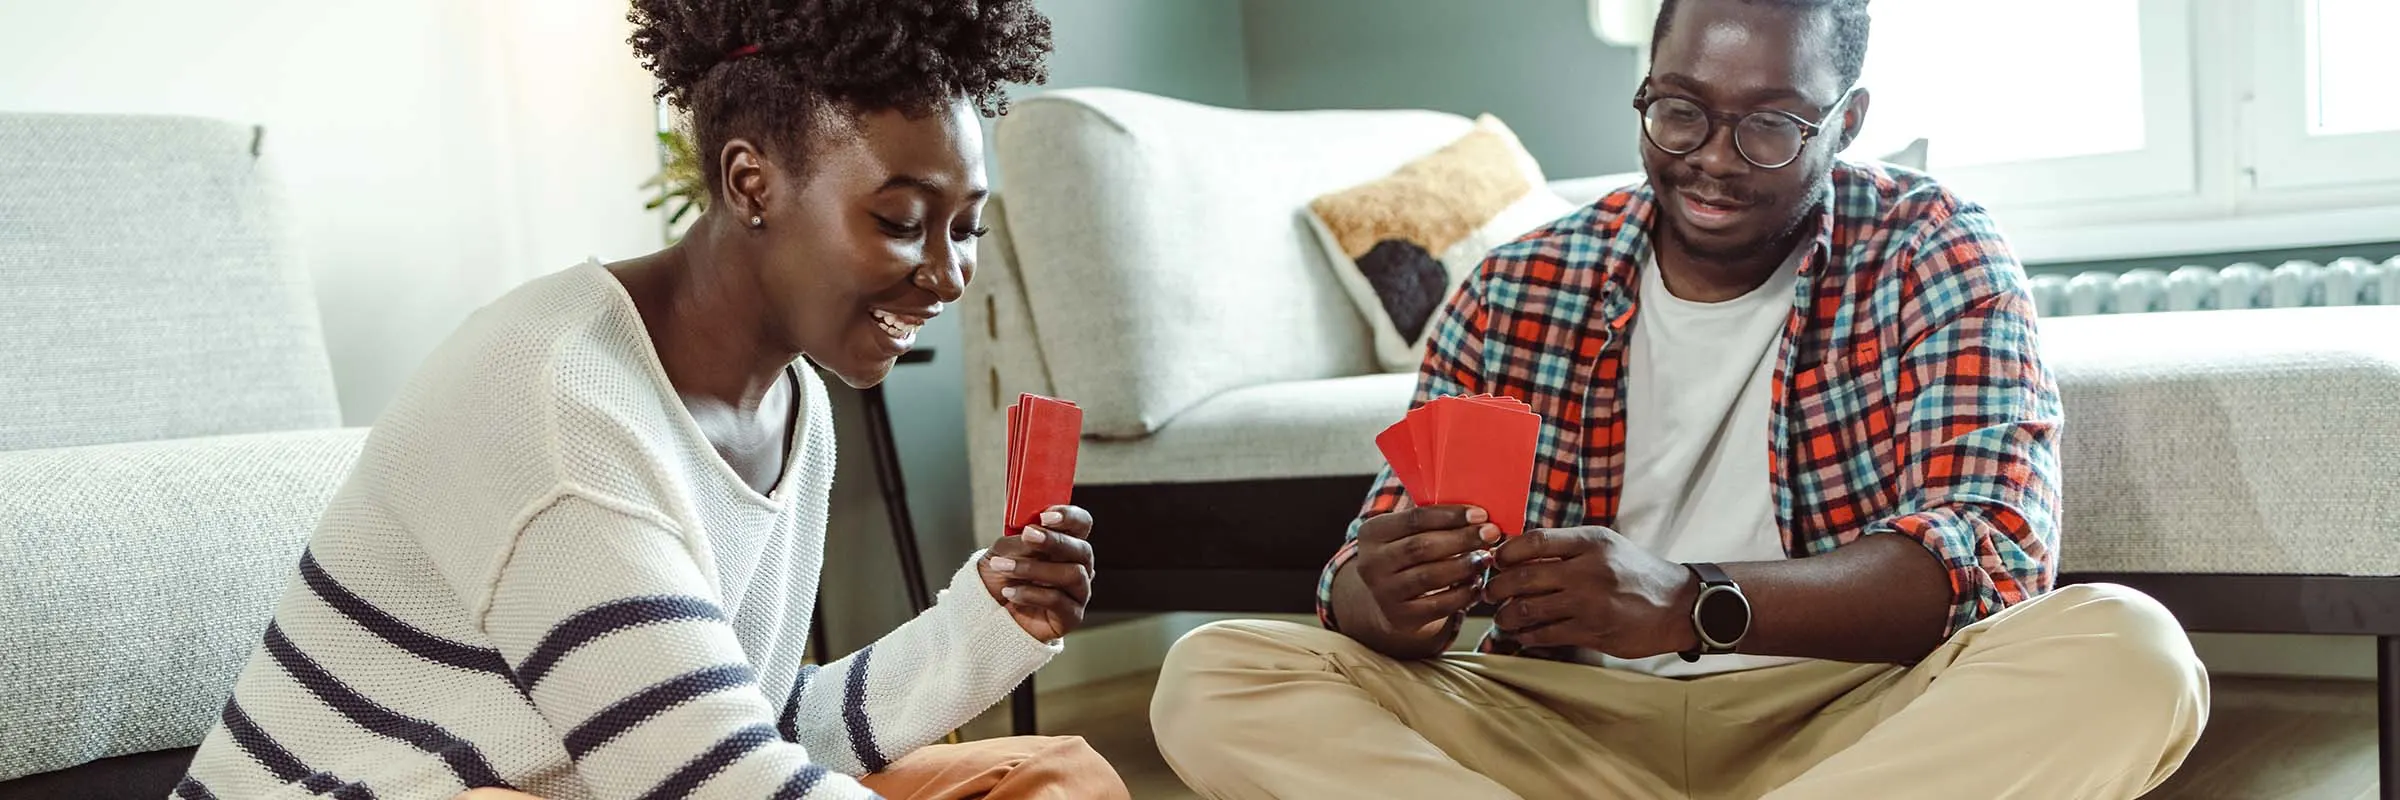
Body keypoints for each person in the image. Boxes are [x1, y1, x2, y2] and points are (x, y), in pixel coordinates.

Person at [1150, 0, 2208, 797]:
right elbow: (1362, 572)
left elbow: (1995, 552)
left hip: (1848, 713)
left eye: (1770, 127)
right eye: (1678, 111)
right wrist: (1387, 589)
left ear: (1848, 119)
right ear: (1647, 87)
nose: (1710, 160)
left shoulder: (1935, 247)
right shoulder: (1520, 284)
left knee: (2132, 651)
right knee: (1214, 674)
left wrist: (1693, 599)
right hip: (1557, 719)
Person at [174, 1, 1125, 798]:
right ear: (749, 180)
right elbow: (716, 782)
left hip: (641, 778)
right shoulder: (557, 397)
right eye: (902, 222)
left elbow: (744, 728)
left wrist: (984, 622)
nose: (950, 275)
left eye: (966, 229)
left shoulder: (795, 405)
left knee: (1053, 777)